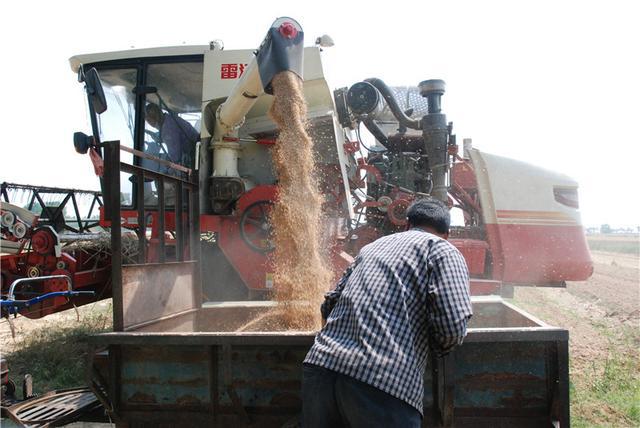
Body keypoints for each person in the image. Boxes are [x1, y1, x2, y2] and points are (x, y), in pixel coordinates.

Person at [302, 198, 473, 428]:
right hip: (382, 382)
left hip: (321, 371)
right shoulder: (443, 250)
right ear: (447, 233)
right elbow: (451, 328)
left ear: (406, 224)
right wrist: (434, 347)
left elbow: (329, 305)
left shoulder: (371, 248)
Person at [144, 103, 199, 173]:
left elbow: (175, 157)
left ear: (155, 117)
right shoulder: (169, 119)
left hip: (195, 156)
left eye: (149, 120)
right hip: (194, 151)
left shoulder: (168, 128)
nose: (149, 123)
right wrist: (156, 136)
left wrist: (167, 171)